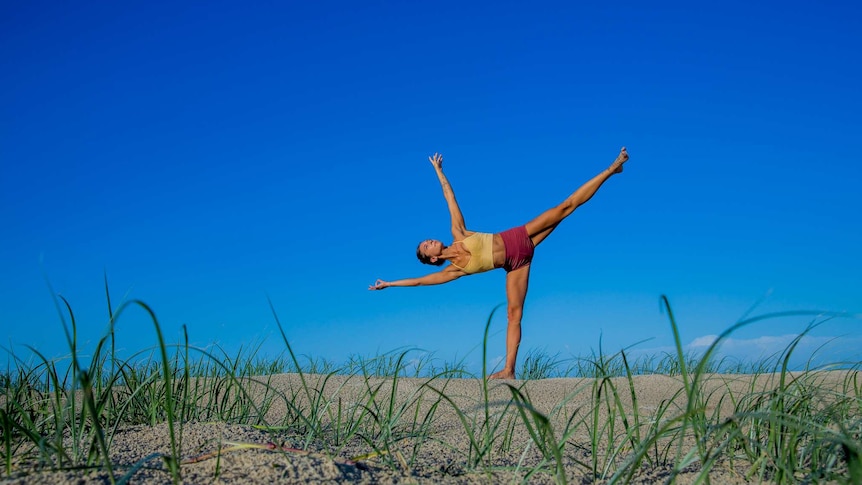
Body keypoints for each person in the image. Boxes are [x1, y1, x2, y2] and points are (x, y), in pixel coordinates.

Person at [369, 147, 630, 379]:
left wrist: (438, 170)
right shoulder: (452, 271)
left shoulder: (459, 233)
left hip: (520, 236)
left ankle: (611, 169)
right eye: (426, 246)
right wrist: (390, 284)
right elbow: (418, 282)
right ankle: (509, 370)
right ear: (433, 258)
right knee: (513, 316)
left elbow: (449, 197)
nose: (429, 240)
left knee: (566, 207)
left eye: (427, 240)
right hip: (517, 264)